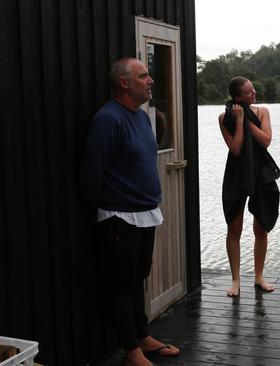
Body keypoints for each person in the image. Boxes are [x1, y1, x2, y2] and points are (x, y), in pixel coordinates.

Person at [81, 57, 179, 365]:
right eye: (144, 76)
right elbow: (92, 174)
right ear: (124, 82)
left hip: (144, 214)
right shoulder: (109, 119)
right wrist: (101, 219)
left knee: (137, 279)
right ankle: (132, 351)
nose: (151, 81)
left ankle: (143, 337)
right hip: (118, 218)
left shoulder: (140, 117)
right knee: (121, 287)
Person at [219, 76, 280, 297]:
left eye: (253, 89)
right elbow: (235, 149)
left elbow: (265, 140)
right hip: (237, 173)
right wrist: (238, 120)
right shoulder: (224, 118)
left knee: (260, 227)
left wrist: (246, 120)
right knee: (234, 228)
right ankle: (235, 280)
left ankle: (258, 276)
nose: (253, 93)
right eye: (248, 92)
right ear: (237, 97)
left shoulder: (262, 112)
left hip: (260, 171)